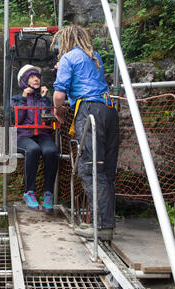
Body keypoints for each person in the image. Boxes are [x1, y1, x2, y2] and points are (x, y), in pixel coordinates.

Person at [51, 24, 119, 241]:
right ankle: (106, 223)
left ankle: (101, 227)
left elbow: (59, 94)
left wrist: (59, 111)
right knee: (105, 169)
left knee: (89, 168)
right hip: (109, 110)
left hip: (90, 112)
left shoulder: (68, 59)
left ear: (67, 40)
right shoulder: (94, 56)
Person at [11, 64, 59, 213]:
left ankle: (48, 193)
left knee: (51, 151)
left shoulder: (44, 98)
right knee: (33, 149)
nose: (36, 79)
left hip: (43, 135)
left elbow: (50, 119)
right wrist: (24, 98)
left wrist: (46, 100)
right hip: (23, 136)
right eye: (32, 77)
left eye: (37, 77)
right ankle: (29, 192)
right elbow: (16, 119)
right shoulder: (17, 99)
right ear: (25, 81)